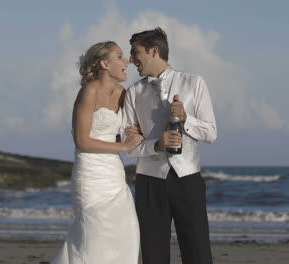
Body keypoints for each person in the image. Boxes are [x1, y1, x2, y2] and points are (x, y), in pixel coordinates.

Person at [123, 27, 217, 264]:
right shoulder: (133, 93)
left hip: (188, 180)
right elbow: (128, 145)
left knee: (198, 253)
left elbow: (211, 133)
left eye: (136, 53)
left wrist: (187, 118)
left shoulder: (194, 82)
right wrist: (156, 145)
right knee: (153, 255)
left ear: (154, 51)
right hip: (149, 182)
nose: (131, 60)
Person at [52, 41, 142, 264]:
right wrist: (123, 146)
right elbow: (82, 140)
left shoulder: (123, 94)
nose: (127, 61)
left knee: (126, 235)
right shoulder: (89, 91)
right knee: (94, 240)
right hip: (91, 177)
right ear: (104, 63)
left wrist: (130, 134)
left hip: (114, 177)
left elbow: (120, 133)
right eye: (120, 57)